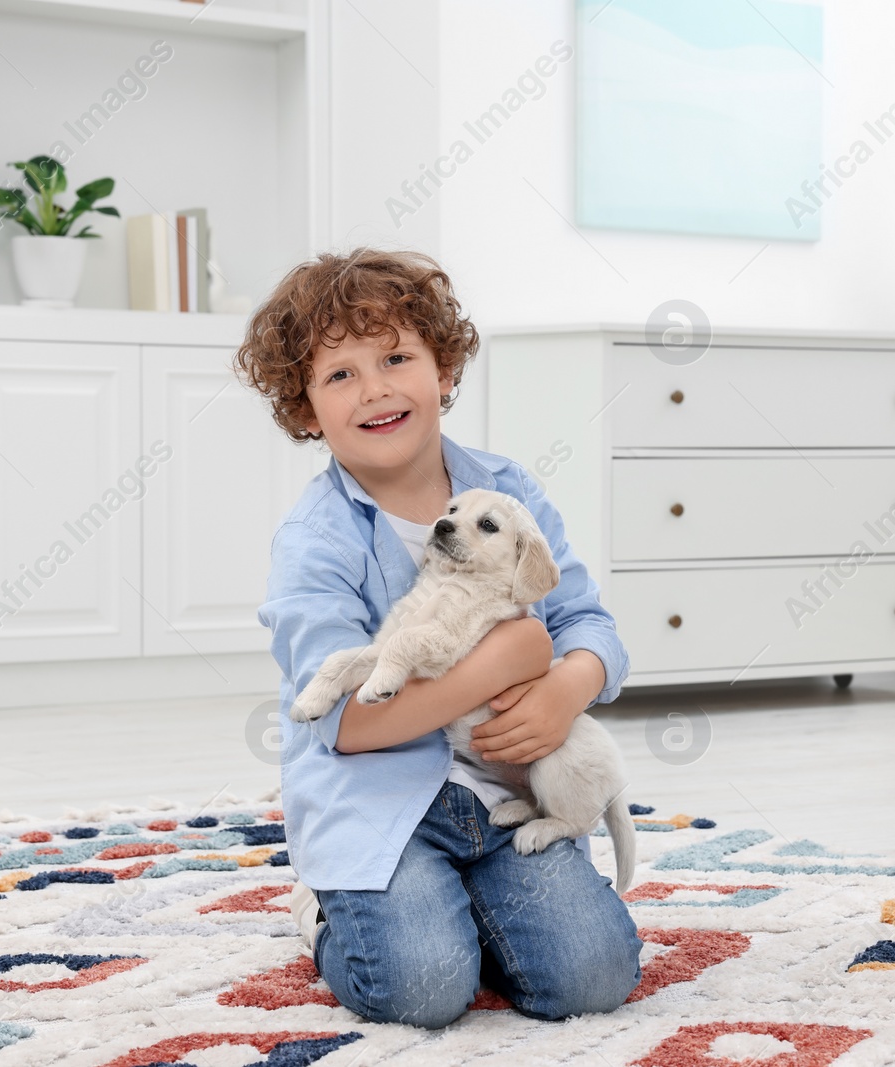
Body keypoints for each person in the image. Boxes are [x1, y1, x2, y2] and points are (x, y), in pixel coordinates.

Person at [237, 247, 643, 1028]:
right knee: (422, 990)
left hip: (504, 797)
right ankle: (327, 908)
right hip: (381, 804)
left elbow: (589, 621)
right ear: (305, 408)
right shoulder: (315, 542)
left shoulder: (508, 490)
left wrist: (567, 683)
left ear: (444, 369)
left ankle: (470, 908)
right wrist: (504, 660)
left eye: (396, 356)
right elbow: (347, 721)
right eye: (340, 374)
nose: (377, 387)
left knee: (591, 976)